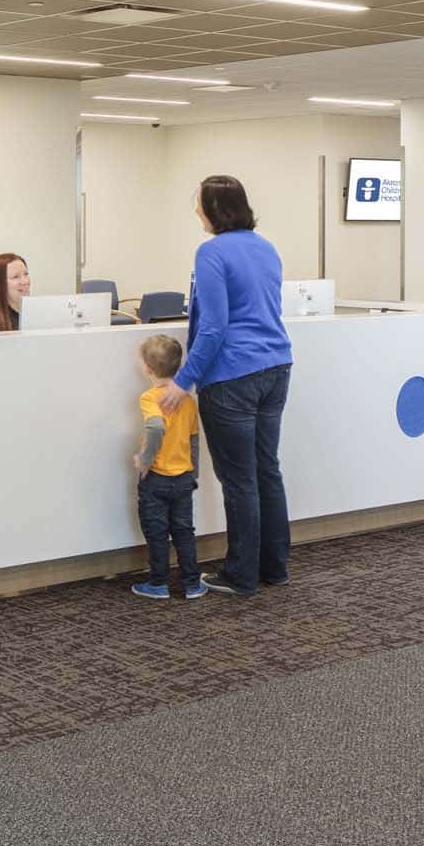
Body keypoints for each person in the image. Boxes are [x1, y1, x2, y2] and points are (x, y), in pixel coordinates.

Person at [160, 175, 292, 599]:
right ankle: (274, 567)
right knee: (266, 470)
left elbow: (213, 328)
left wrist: (183, 382)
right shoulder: (266, 247)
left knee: (240, 481)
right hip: (276, 367)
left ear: (214, 209)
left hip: (232, 376)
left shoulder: (212, 253)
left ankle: (240, 575)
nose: (195, 211)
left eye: (198, 203)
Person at [129, 334, 205, 602]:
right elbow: (194, 439)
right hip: (183, 477)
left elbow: (155, 426)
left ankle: (159, 583)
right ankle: (192, 583)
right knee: (184, 531)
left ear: (148, 369)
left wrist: (145, 459)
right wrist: (194, 473)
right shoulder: (188, 400)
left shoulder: (150, 398)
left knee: (157, 531)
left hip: (156, 478)